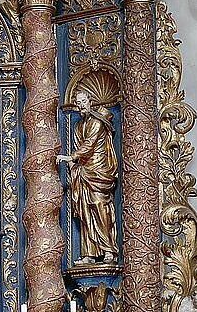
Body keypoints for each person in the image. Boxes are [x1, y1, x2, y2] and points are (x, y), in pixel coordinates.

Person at [57, 90, 119, 265]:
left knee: (99, 207)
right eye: (78, 102)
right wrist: (74, 165)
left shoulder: (97, 122)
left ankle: (109, 250)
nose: (80, 105)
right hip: (84, 172)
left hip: (98, 171)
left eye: (83, 101)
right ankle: (89, 253)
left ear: (90, 102)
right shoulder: (78, 126)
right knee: (85, 212)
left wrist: (71, 157)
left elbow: (89, 145)